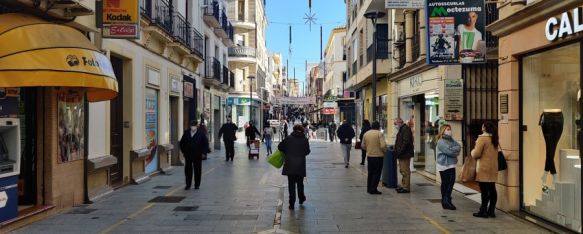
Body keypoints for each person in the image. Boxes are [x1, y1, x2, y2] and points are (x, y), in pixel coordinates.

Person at [278, 125, 311, 210]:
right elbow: (307, 152)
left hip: (290, 164)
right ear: (302, 131)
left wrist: (287, 152)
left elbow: (280, 147)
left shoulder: (288, 138)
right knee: (300, 183)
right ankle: (301, 198)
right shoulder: (305, 140)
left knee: (291, 185)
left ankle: (291, 203)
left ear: (294, 130)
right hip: (300, 165)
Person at [471, 121, 499, 218]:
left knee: (484, 191)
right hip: (493, 168)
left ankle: (483, 211)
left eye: (483, 125)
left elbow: (476, 154)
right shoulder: (494, 138)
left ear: (484, 128)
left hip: (484, 168)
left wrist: (472, 152)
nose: (481, 127)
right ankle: (491, 211)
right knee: (492, 189)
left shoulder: (482, 138)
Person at [436, 124, 461, 210]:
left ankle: (445, 200)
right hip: (444, 165)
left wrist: (452, 149)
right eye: (447, 129)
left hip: (452, 164)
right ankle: (446, 201)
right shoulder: (441, 141)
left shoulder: (451, 139)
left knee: (450, 183)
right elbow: (448, 152)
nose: (449, 130)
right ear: (443, 130)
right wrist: (453, 150)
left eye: (450, 129)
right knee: (446, 183)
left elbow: (458, 147)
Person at [179, 120, 210, 190]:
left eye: (194, 125)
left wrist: (203, 153)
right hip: (188, 155)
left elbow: (205, 144)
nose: (192, 127)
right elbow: (181, 143)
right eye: (191, 126)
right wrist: (184, 151)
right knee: (188, 170)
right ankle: (188, 184)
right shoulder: (186, 133)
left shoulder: (201, 133)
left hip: (198, 155)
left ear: (196, 126)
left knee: (197, 170)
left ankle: (197, 185)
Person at [361, 121, 386, 195]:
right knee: (377, 173)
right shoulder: (379, 134)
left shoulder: (366, 134)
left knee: (370, 173)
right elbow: (383, 145)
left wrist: (368, 150)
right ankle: (373, 189)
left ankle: (369, 188)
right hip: (378, 156)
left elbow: (362, 145)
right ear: (378, 127)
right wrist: (384, 151)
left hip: (370, 156)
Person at [394, 117, 414, 193]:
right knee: (402, 170)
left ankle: (406, 187)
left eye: (395, 124)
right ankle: (403, 185)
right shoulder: (402, 129)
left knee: (405, 171)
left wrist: (399, 151)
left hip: (405, 154)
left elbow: (406, 142)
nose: (395, 125)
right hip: (402, 154)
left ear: (399, 122)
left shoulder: (405, 129)